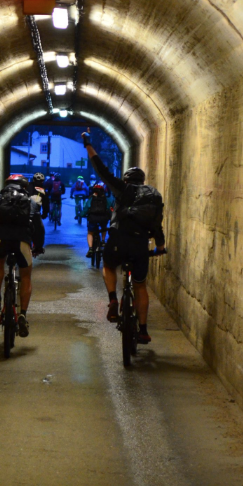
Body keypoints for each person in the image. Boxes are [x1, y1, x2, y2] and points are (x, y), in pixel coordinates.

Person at [81, 130, 165, 344]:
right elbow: (156, 224)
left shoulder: (122, 189)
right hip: (140, 243)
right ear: (143, 181)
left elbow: (102, 170)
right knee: (140, 286)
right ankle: (143, 330)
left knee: (109, 266)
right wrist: (160, 246)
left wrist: (88, 145)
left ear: (126, 180)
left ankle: (112, 300)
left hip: (118, 240)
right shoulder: (153, 196)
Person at [0, 174, 45, 338]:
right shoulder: (30, 201)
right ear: (25, 186)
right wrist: (38, 246)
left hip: (0, 239)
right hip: (22, 240)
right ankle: (22, 314)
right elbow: (38, 226)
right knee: (26, 275)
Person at [82, 184, 111, 260]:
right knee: (104, 228)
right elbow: (109, 208)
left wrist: (81, 215)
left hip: (93, 218)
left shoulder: (91, 199)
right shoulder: (106, 199)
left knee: (90, 233)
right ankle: (103, 241)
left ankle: (91, 249)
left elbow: (86, 208)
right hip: (103, 218)